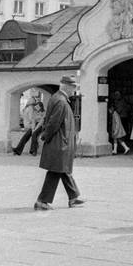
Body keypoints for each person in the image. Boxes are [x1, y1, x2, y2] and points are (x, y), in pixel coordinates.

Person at [34, 76, 85, 210]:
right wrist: (45, 136)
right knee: (57, 170)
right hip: (60, 142)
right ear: (66, 86)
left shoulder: (57, 98)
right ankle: (42, 201)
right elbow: (53, 123)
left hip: (60, 141)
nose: (74, 90)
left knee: (62, 169)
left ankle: (73, 196)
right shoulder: (61, 101)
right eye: (73, 87)